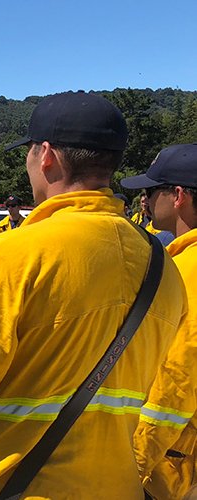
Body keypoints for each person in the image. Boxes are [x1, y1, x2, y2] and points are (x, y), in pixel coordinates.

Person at [0, 92, 187, 498]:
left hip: (20, 484)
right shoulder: (164, 266)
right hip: (119, 486)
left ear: (46, 155)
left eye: (29, 153)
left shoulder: (10, 256)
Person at [122, 144, 197, 500]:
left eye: (151, 191)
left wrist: (135, 463)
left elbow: (177, 379)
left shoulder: (189, 272)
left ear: (178, 195)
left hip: (172, 460)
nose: (146, 201)